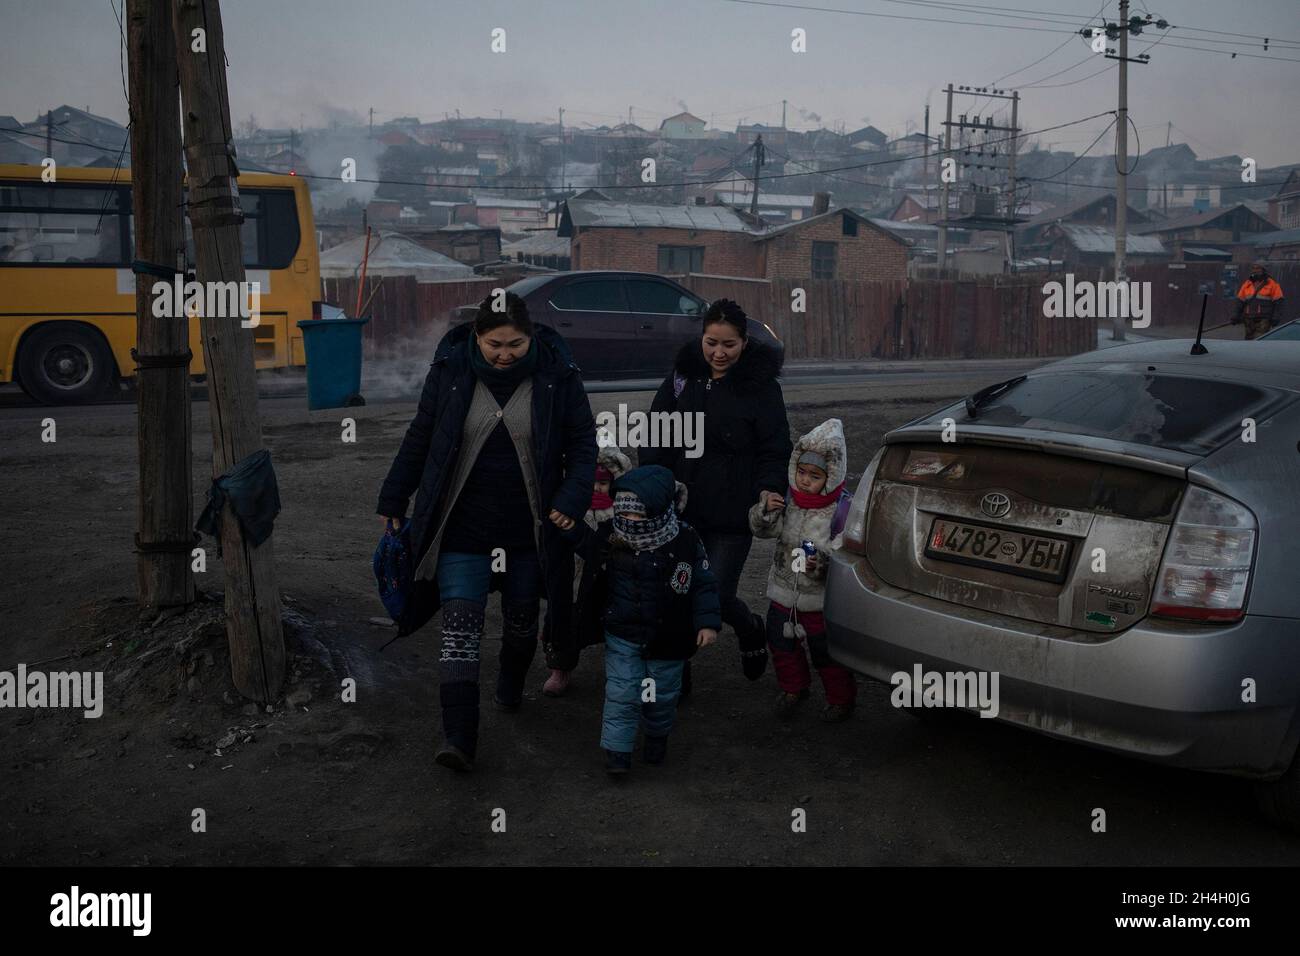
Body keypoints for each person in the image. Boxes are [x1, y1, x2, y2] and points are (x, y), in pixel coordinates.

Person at [375, 291, 597, 772]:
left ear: (530, 337)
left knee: (520, 622)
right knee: (460, 630)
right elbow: (421, 433)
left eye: (515, 344)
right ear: (477, 338)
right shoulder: (451, 372)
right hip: (461, 526)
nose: (504, 354)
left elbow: (583, 444)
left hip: (529, 530)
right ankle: (459, 736)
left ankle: (510, 684)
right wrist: (395, 495)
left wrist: (571, 499)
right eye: (495, 344)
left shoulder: (557, 376)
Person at [640, 299, 793, 691]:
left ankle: (750, 627)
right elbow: (656, 434)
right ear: (701, 338)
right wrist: (653, 485)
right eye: (711, 343)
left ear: (744, 342)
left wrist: (769, 489)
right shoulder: (683, 376)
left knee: (719, 595)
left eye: (729, 345)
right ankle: (678, 675)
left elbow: (775, 446)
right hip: (682, 507)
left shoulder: (761, 386)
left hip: (732, 509)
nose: (718, 353)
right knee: (678, 592)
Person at [564, 464, 720, 775]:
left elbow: (703, 581)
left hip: (668, 637)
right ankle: (617, 753)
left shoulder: (684, 540)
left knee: (661, 695)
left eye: (637, 515)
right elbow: (589, 548)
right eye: (624, 514)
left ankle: (656, 736)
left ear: (658, 512)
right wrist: (570, 527)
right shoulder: (612, 536)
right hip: (622, 632)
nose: (629, 522)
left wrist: (707, 622)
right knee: (621, 692)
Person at [749, 418, 857, 722]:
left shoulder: (842, 510)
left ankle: (841, 699)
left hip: (818, 599)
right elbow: (764, 531)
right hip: (783, 591)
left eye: (815, 475)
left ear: (832, 475)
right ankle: (794, 688)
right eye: (802, 472)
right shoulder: (790, 500)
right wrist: (765, 512)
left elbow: (847, 556)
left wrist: (822, 565)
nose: (806, 480)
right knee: (781, 645)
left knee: (826, 654)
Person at [539, 440, 632, 697]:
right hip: (573, 580)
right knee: (565, 623)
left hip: (606, 582)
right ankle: (560, 669)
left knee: (612, 625)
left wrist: (576, 532)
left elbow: (602, 550)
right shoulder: (569, 507)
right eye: (591, 483)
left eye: (602, 484)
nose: (596, 489)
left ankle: (621, 671)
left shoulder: (620, 515)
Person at [1234, 261, 1285, 340]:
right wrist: (1236, 316)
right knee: (1248, 342)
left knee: (1259, 340)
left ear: (1264, 270)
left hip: (1263, 319)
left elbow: (1279, 302)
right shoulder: (1247, 283)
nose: (1254, 270)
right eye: (1253, 268)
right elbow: (1240, 301)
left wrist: (1276, 317)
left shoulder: (1272, 284)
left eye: (1257, 268)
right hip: (1248, 319)